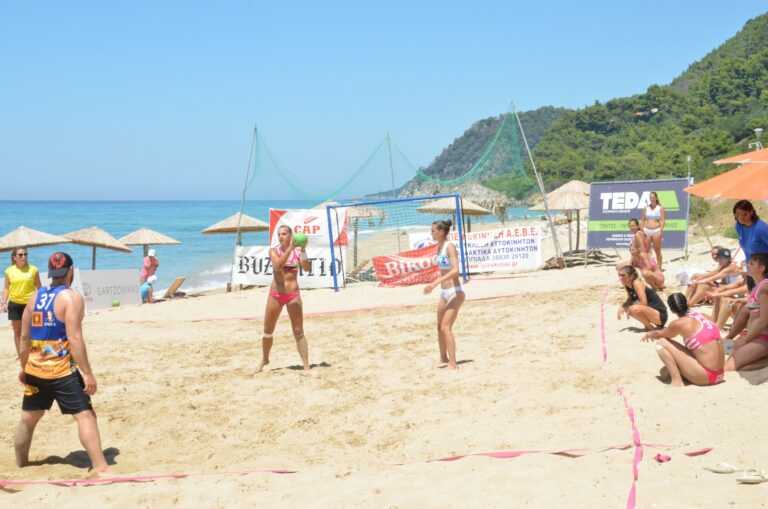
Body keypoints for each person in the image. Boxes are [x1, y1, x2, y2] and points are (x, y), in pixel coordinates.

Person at [15, 252, 110, 473]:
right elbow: (75, 338)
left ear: (50, 273)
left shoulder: (34, 297)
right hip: (62, 370)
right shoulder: (71, 297)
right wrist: (87, 373)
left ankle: (21, 465)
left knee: (28, 418)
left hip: (35, 368)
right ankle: (101, 467)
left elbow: (24, 338)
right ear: (71, 271)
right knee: (85, 415)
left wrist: (23, 367)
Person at [257, 226, 311, 373]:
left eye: (284, 234)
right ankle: (265, 359)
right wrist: (291, 248)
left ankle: (306, 366)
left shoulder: (298, 251)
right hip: (276, 294)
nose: (281, 236)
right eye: (279, 234)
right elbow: (277, 265)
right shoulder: (273, 251)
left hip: (293, 294)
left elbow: (306, 268)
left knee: (299, 331)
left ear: (290, 235)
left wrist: (303, 250)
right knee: (268, 330)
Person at [642, 293, 724, 386]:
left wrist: (650, 334)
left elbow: (660, 334)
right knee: (667, 368)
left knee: (662, 343)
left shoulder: (680, 323)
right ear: (686, 303)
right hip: (720, 374)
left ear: (672, 310)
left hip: (707, 377)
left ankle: (676, 382)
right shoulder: (704, 316)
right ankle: (678, 374)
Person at [423, 219, 464, 370]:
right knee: (439, 326)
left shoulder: (449, 246)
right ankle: (443, 357)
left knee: (446, 327)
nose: (431, 233)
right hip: (444, 292)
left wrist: (434, 284)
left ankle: (453, 363)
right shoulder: (439, 247)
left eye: (433, 230)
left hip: (455, 291)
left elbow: (455, 270)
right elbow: (444, 270)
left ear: (441, 232)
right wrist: (435, 283)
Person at [724, 253, 768, 372]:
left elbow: (764, 320)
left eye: (752, 263)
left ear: (762, 268)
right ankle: (762, 360)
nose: (748, 265)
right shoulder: (757, 287)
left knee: (728, 368)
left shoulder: (765, 287)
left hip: (762, 338)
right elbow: (749, 312)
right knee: (726, 350)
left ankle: (764, 360)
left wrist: (746, 339)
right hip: (754, 334)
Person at [2, 247, 41, 356]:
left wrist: (41, 301)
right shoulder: (9, 271)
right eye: (20, 255)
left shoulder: (33, 269)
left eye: (25, 254)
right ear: (15, 258)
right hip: (14, 304)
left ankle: (33, 352)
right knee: (17, 331)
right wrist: (3, 302)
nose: (23, 256)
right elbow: (6, 288)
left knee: (32, 330)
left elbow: (39, 287)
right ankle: (21, 355)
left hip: (30, 304)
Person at [617, 265, 668, 330]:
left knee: (632, 309)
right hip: (650, 312)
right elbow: (630, 298)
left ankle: (651, 328)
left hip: (660, 315)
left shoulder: (637, 283)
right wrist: (623, 306)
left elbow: (643, 303)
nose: (620, 277)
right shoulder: (627, 285)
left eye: (623, 275)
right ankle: (648, 327)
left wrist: (629, 308)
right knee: (630, 308)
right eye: (619, 275)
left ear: (631, 276)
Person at [733, 200, 768, 285]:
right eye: (737, 215)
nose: (741, 218)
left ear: (751, 212)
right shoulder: (739, 226)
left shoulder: (761, 229)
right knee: (751, 296)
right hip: (751, 270)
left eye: (744, 214)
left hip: (763, 272)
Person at [625, 218, 664, 290]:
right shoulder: (640, 235)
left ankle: (655, 286)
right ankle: (657, 284)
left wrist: (645, 263)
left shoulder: (638, 234)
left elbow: (643, 250)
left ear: (638, 226)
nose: (631, 228)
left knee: (645, 273)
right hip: (642, 261)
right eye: (630, 226)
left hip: (644, 261)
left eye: (633, 226)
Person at [641, 191, 666, 270]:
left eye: (653, 197)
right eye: (650, 197)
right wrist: (642, 230)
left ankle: (659, 267)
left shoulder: (660, 208)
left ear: (656, 198)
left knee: (657, 250)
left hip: (656, 230)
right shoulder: (646, 208)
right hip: (647, 230)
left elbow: (662, 220)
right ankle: (649, 266)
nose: (652, 198)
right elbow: (642, 220)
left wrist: (661, 231)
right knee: (647, 250)